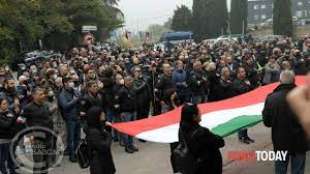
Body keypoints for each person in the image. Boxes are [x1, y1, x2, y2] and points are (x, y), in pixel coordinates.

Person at [263, 70, 308, 174]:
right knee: (298, 170)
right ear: (293, 80)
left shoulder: (271, 98)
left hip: (280, 142)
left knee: (280, 170)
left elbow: (267, 122)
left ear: (280, 81)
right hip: (299, 142)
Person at [177, 103, 225, 174]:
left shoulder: (181, 129)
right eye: (199, 112)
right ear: (194, 116)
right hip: (207, 167)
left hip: (193, 167)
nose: (200, 113)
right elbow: (220, 142)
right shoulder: (201, 132)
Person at [23, 88, 54, 174]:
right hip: (37, 139)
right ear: (34, 96)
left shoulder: (45, 105)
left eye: (43, 94)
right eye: (40, 94)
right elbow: (21, 122)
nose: (43, 96)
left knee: (47, 163)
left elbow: (48, 118)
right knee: (39, 163)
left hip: (48, 137)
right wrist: (29, 135)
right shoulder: (28, 108)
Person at [86, 106, 116, 174]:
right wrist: (109, 135)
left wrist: (107, 129)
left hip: (105, 161)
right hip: (100, 164)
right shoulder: (93, 132)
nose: (104, 114)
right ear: (96, 116)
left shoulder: (98, 126)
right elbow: (104, 146)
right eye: (101, 114)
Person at [58, 78, 81, 162]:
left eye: (72, 81)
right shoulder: (62, 94)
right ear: (65, 83)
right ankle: (72, 155)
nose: (71, 83)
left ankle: (76, 152)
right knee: (71, 138)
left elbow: (80, 97)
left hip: (78, 116)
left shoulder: (74, 91)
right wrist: (75, 100)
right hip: (70, 118)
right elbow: (65, 106)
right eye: (69, 82)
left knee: (77, 137)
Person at [233, 67, 255, 144]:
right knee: (241, 121)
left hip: (246, 103)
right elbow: (241, 90)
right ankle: (241, 136)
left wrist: (249, 85)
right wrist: (247, 85)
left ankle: (246, 136)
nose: (244, 73)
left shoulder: (245, 80)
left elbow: (251, 89)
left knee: (246, 121)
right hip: (239, 104)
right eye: (242, 72)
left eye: (244, 71)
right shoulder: (236, 82)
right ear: (238, 74)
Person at [117, 76, 138, 153]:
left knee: (131, 130)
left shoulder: (132, 89)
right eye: (129, 80)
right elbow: (117, 103)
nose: (131, 81)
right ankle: (127, 146)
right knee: (126, 131)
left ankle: (131, 144)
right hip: (126, 113)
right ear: (125, 81)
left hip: (133, 111)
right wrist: (121, 112)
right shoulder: (122, 91)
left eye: (131, 80)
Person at [0, 98, 19, 174]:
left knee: (11, 158)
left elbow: (15, 124)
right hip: (2, 140)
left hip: (11, 138)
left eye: (6, 103)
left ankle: (12, 171)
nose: (6, 105)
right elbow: (5, 125)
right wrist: (12, 117)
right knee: (2, 159)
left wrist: (16, 114)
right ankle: (4, 172)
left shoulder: (10, 112)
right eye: (4, 104)